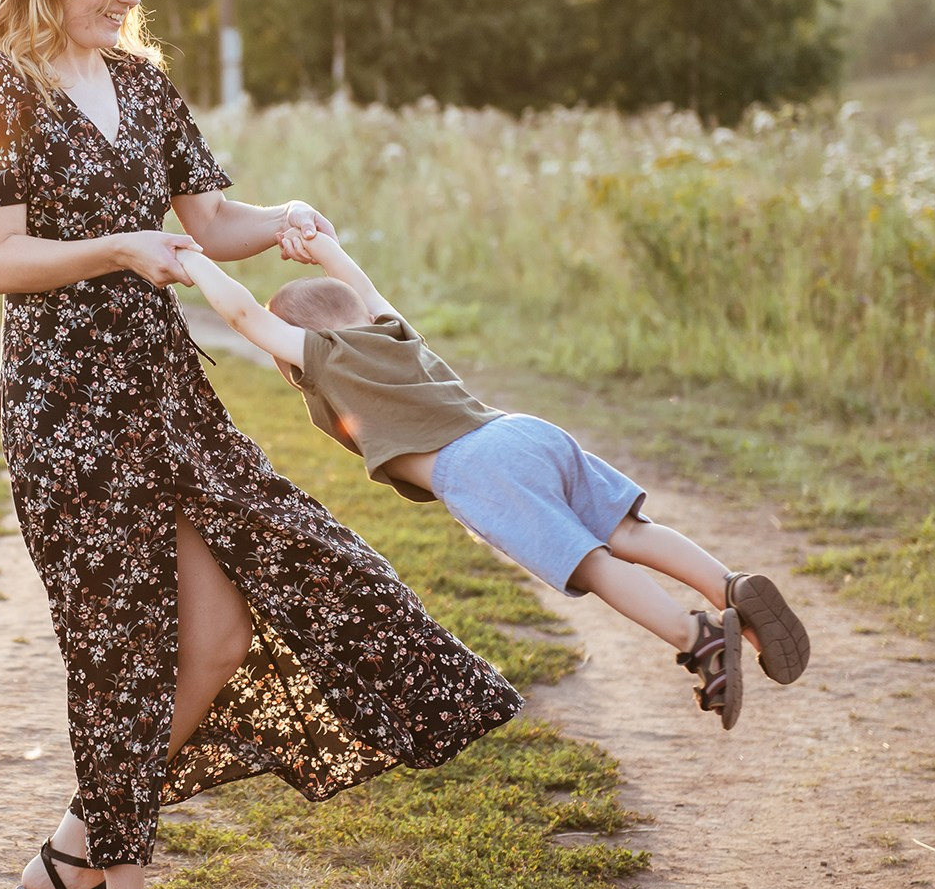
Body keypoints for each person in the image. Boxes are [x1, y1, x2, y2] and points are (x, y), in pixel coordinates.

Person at [0, 0, 520, 889]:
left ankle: (73, 850)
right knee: (123, 641)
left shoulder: (143, 86)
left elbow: (208, 222)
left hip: (165, 393)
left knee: (230, 624)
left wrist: (285, 218)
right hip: (65, 407)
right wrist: (122, 245)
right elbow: (2, 259)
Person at [174, 228, 811, 732]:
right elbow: (364, 289)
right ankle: (729, 586)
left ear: (300, 344)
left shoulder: (326, 358)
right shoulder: (392, 333)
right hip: (523, 431)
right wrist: (325, 249)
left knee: (582, 559)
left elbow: (239, 316)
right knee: (626, 530)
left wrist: (189, 259)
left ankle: (695, 636)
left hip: (473, 464)